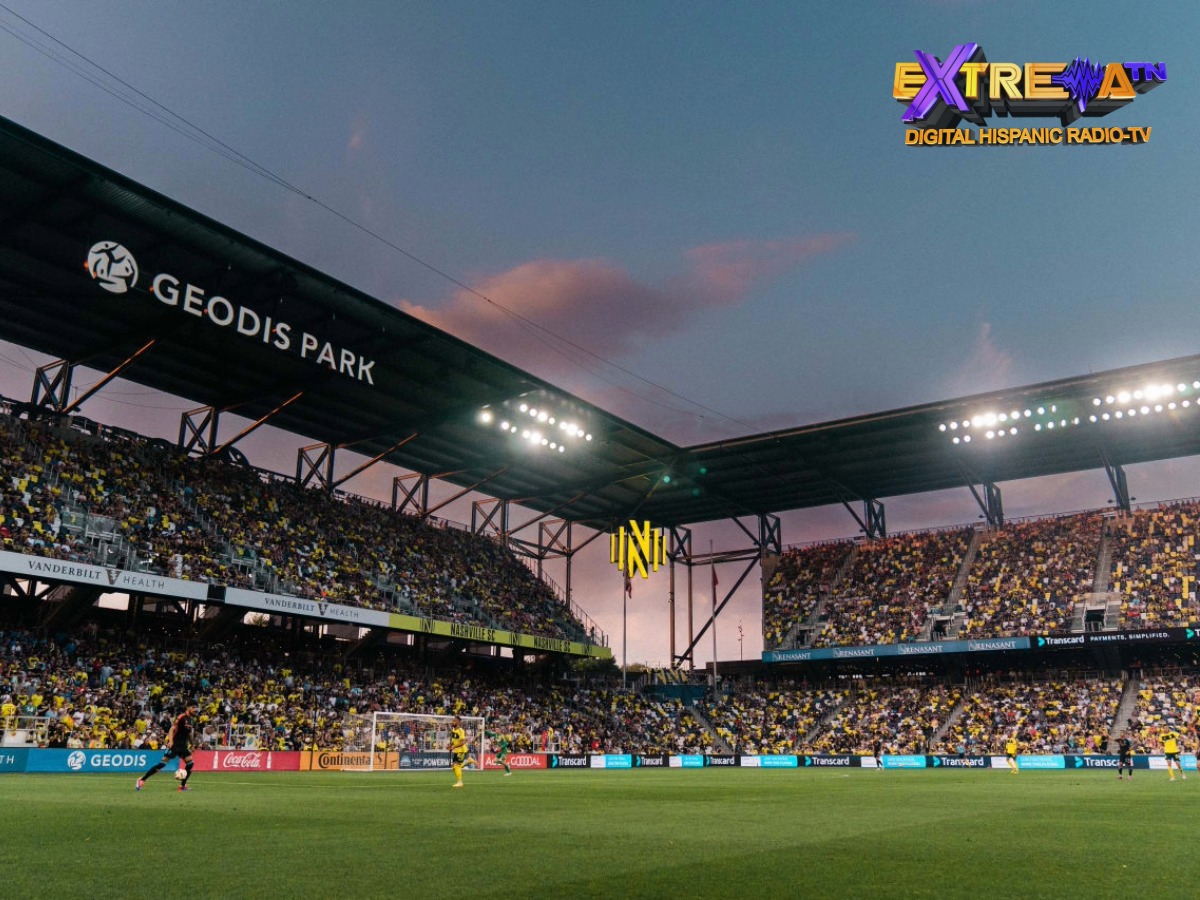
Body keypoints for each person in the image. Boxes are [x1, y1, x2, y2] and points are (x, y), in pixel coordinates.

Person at [137, 701, 197, 792]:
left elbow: (189, 734)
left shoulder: (191, 720)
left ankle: (182, 786)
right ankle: (141, 780)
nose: (195, 709)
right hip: (175, 745)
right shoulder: (181, 717)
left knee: (190, 764)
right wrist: (171, 741)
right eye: (193, 707)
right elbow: (172, 729)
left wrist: (192, 744)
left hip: (183, 746)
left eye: (196, 708)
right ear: (188, 707)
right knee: (162, 764)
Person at [449, 716, 478, 788]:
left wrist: (453, 747)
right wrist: (450, 745)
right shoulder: (453, 730)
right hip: (456, 750)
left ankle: (460, 782)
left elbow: (462, 742)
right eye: (452, 720)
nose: (452, 722)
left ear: (458, 722)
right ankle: (468, 761)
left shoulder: (461, 731)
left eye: (454, 721)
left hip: (461, 750)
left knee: (456, 766)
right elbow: (454, 740)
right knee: (454, 767)